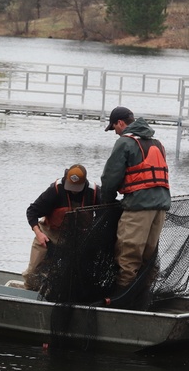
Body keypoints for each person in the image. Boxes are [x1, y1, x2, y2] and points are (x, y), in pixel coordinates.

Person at [99, 106, 171, 292]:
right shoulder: (157, 143)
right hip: (160, 208)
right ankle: (144, 296)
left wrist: (105, 202)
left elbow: (110, 177)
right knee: (148, 256)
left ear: (121, 123)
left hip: (138, 207)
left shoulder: (125, 142)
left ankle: (122, 299)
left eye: (114, 127)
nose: (115, 132)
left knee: (128, 255)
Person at [20, 163, 100, 291]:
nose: (73, 190)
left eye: (77, 187)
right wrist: (39, 234)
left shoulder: (94, 192)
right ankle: (28, 292)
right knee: (33, 272)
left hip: (77, 241)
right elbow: (32, 212)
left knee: (68, 277)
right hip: (49, 235)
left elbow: (107, 212)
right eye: (71, 186)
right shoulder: (55, 190)